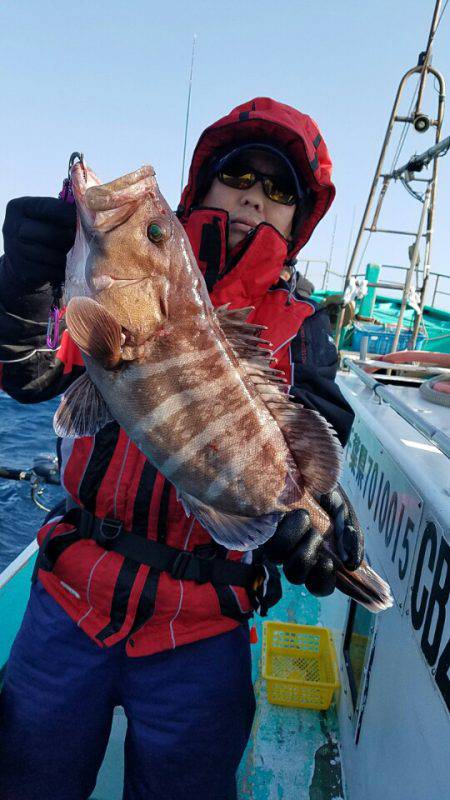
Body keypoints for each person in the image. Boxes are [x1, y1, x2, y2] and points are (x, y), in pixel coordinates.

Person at [0, 97, 362, 800]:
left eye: (279, 190)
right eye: (238, 177)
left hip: (202, 625)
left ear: (299, 219)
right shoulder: (115, 289)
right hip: (71, 591)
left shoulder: (304, 326)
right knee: (26, 775)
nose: (255, 198)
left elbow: (320, 427)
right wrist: (20, 291)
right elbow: (32, 372)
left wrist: (309, 513)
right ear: (203, 188)